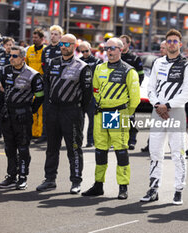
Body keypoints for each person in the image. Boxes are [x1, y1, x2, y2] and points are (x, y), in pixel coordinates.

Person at [140, 29, 188, 205]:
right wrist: (158, 105)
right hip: (158, 112)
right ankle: (154, 188)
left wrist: (168, 106)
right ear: (165, 44)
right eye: (169, 41)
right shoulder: (158, 62)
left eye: (175, 41)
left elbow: (187, 93)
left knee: (178, 153)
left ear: (180, 44)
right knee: (155, 151)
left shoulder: (187, 65)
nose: (171, 44)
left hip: (176, 112)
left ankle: (178, 190)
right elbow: (151, 87)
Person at [82, 37, 140, 199]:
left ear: (121, 50)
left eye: (113, 48)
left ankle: (123, 187)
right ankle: (98, 185)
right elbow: (95, 89)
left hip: (118, 114)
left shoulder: (129, 70)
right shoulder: (99, 68)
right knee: (100, 151)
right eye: (107, 48)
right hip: (101, 113)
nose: (110, 51)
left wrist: (125, 115)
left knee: (121, 151)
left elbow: (134, 99)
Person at [36, 34, 92, 194]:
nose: (63, 46)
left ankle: (76, 181)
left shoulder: (82, 66)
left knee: (74, 148)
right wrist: (47, 108)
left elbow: (87, 94)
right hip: (53, 111)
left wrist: (79, 110)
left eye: (67, 44)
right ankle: (49, 179)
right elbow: (46, 86)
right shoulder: (53, 63)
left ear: (74, 46)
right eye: (61, 43)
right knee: (51, 148)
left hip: (72, 112)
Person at [0, 46, 44, 190]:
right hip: (8, 114)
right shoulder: (6, 70)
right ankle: (11, 176)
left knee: (23, 148)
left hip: (23, 115)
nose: (11, 58)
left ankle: (22, 177)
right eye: (10, 56)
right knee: (9, 147)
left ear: (23, 58)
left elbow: (40, 96)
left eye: (14, 56)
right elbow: (2, 87)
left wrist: (31, 109)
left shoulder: (33, 75)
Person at [35, 25, 63, 144]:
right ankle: (44, 134)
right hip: (47, 83)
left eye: (56, 34)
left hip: (59, 84)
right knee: (46, 110)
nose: (53, 36)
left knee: (59, 111)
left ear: (60, 36)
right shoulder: (46, 49)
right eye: (52, 34)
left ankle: (58, 136)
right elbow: (43, 65)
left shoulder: (62, 48)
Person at [141, 40, 167, 153]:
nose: (161, 50)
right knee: (155, 124)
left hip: (171, 100)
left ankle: (175, 148)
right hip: (158, 98)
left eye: (163, 48)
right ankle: (150, 145)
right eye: (160, 48)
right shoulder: (156, 61)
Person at [120, 35, 144, 150]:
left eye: (123, 43)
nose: (120, 46)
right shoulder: (114, 57)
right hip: (115, 94)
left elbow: (141, 76)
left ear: (128, 45)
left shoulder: (134, 58)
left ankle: (132, 140)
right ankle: (116, 140)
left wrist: (133, 89)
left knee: (130, 118)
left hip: (129, 94)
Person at [79, 41, 103, 147]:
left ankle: (90, 140)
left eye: (86, 51)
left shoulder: (97, 61)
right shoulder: (78, 61)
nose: (84, 53)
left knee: (92, 119)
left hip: (93, 95)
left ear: (90, 49)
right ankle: (79, 140)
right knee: (79, 119)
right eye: (82, 51)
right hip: (80, 94)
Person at [26, 28, 46, 139]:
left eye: (36, 37)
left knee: (41, 109)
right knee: (31, 107)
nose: (34, 39)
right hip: (30, 82)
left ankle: (40, 132)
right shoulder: (29, 50)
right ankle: (33, 132)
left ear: (42, 39)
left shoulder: (46, 50)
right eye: (33, 37)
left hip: (41, 82)